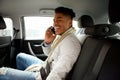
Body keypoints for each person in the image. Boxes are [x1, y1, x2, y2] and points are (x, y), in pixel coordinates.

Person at [0, 6, 81, 80]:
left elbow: (60, 71)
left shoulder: (71, 43)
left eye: (59, 20)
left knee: (2, 72)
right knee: (20, 56)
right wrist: (47, 42)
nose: (55, 24)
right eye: (54, 20)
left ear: (70, 22)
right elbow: (49, 55)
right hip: (46, 67)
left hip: (46, 76)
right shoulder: (62, 37)